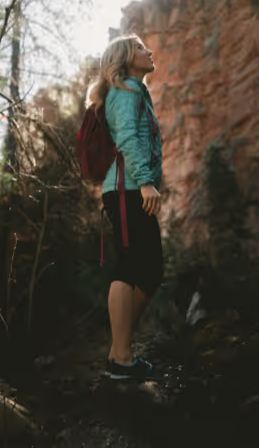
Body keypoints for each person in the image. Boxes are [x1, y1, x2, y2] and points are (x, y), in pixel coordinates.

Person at [85, 34, 163, 380]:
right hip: (128, 190)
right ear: (125, 57)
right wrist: (146, 182)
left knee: (150, 269)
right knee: (132, 268)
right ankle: (121, 359)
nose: (149, 51)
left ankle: (121, 353)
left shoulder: (135, 92)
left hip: (130, 190)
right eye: (141, 47)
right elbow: (129, 139)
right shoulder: (126, 91)